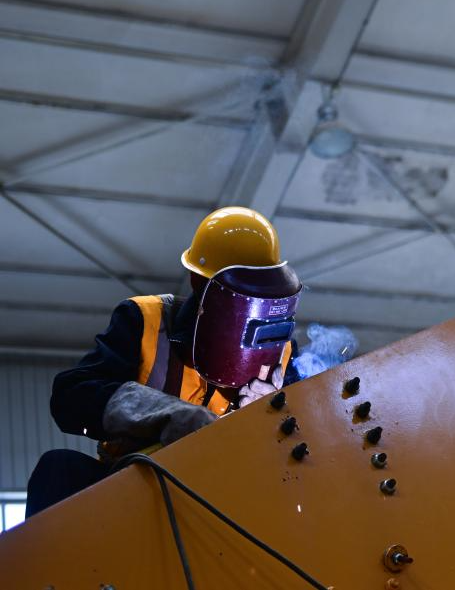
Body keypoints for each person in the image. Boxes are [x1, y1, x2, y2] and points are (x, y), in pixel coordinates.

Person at [26, 207, 302, 516]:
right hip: (133, 488)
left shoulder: (282, 353)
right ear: (198, 282)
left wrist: (267, 419)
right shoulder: (145, 320)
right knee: (59, 469)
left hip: (224, 497)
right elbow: (71, 396)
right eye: (242, 291)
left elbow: (302, 450)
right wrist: (167, 415)